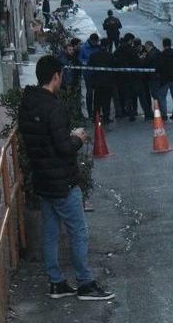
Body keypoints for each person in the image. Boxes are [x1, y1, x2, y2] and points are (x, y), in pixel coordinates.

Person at [17, 55, 114, 301]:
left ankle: (56, 282)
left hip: (42, 178)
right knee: (78, 231)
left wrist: (65, 138)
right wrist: (78, 138)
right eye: (61, 75)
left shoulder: (27, 104)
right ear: (56, 76)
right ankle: (85, 283)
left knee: (49, 232)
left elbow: (41, 140)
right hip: (62, 180)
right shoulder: (53, 106)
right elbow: (63, 147)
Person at [87, 38, 116, 122]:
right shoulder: (110, 55)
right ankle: (106, 117)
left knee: (97, 100)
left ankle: (96, 117)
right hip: (108, 81)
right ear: (107, 46)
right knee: (106, 100)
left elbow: (89, 66)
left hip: (97, 81)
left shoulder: (94, 55)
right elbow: (114, 67)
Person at [155, 38, 173, 120]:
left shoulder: (162, 55)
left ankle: (164, 114)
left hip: (165, 79)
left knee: (162, 96)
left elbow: (158, 66)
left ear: (163, 45)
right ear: (170, 44)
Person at [79, 34, 102, 120]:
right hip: (88, 73)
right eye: (95, 42)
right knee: (89, 93)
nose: (96, 43)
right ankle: (90, 113)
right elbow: (80, 59)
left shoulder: (98, 47)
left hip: (97, 73)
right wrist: (87, 62)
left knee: (98, 93)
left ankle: (97, 112)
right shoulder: (84, 48)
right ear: (91, 40)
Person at [143, 40, 163, 120]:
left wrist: (144, 58)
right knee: (157, 94)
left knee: (155, 95)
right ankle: (160, 110)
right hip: (156, 76)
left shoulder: (151, 54)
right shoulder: (157, 52)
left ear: (148, 46)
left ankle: (158, 110)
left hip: (153, 77)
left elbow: (147, 63)